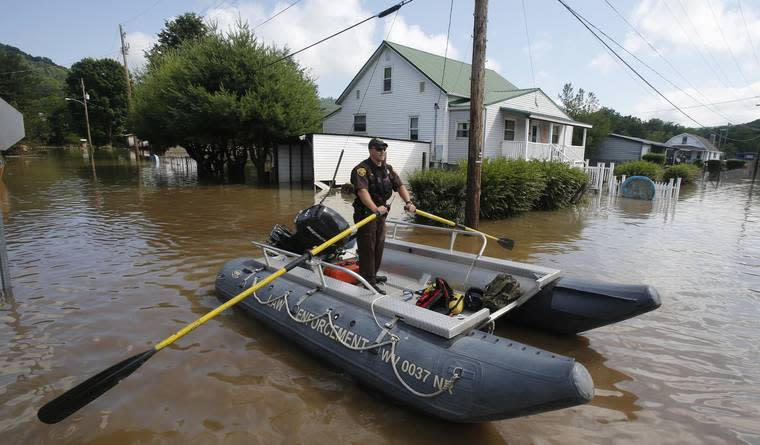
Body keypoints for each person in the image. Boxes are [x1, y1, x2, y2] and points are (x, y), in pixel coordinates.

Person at [350, 137, 416, 294]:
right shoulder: (362, 169)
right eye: (379, 149)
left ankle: (372, 275)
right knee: (368, 247)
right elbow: (362, 192)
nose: (382, 152)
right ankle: (368, 281)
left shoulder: (388, 169)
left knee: (379, 245)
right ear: (371, 150)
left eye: (384, 149)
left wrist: (408, 202)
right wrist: (374, 209)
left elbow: (400, 186)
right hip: (366, 214)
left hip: (381, 215)